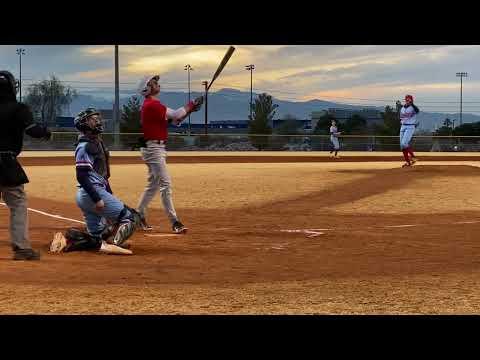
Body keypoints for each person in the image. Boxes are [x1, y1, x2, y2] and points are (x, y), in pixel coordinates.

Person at [49, 107, 140, 255]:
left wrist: (108, 196)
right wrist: (98, 198)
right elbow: (82, 176)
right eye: (92, 119)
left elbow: (103, 177)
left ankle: (67, 241)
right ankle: (113, 245)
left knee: (97, 236)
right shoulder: (85, 146)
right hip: (91, 192)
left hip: (89, 193)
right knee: (130, 217)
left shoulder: (96, 143)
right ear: (84, 124)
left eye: (98, 118)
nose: (97, 120)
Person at [136, 75, 203, 233]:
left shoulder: (151, 105)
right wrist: (191, 104)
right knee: (165, 184)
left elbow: (174, 120)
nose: (157, 84)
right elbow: (177, 114)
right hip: (153, 148)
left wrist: (189, 110)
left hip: (152, 147)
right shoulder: (152, 104)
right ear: (147, 89)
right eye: (154, 83)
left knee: (152, 185)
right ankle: (175, 222)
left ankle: (138, 216)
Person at [0, 70, 51, 260]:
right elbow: (34, 131)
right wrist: (46, 132)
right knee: (18, 203)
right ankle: (21, 248)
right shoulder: (18, 108)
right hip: (6, 162)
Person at [399, 94, 420, 167]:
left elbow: (417, 111)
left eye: (409, 99)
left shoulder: (413, 108)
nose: (407, 100)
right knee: (402, 146)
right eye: (406, 99)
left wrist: (412, 104)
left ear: (411, 100)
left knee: (404, 143)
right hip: (403, 126)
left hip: (410, 127)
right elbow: (401, 117)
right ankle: (408, 162)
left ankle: (413, 157)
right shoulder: (402, 108)